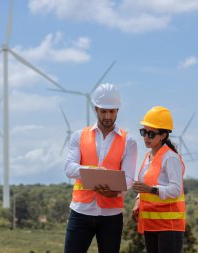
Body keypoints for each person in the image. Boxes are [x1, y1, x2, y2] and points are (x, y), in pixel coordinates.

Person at [63, 83, 138, 253]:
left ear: (118, 110)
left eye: (112, 111)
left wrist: (116, 192)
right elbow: (69, 168)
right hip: (80, 212)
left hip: (111, 215)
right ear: (96, 109)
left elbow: (129, 180)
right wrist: (93, 171)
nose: (107, 116)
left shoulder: (129, 141)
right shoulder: (78, 136)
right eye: (103, 111)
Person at [131, 106, 186, 253]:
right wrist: (138, 201)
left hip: (169, 226)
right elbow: (145, 185)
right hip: (151, 223)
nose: (146, 137)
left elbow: (176, 190)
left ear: (163, 135)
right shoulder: (148, 157)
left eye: (151, 134)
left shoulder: (170, 158)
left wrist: (151, 190)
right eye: (144, 132)